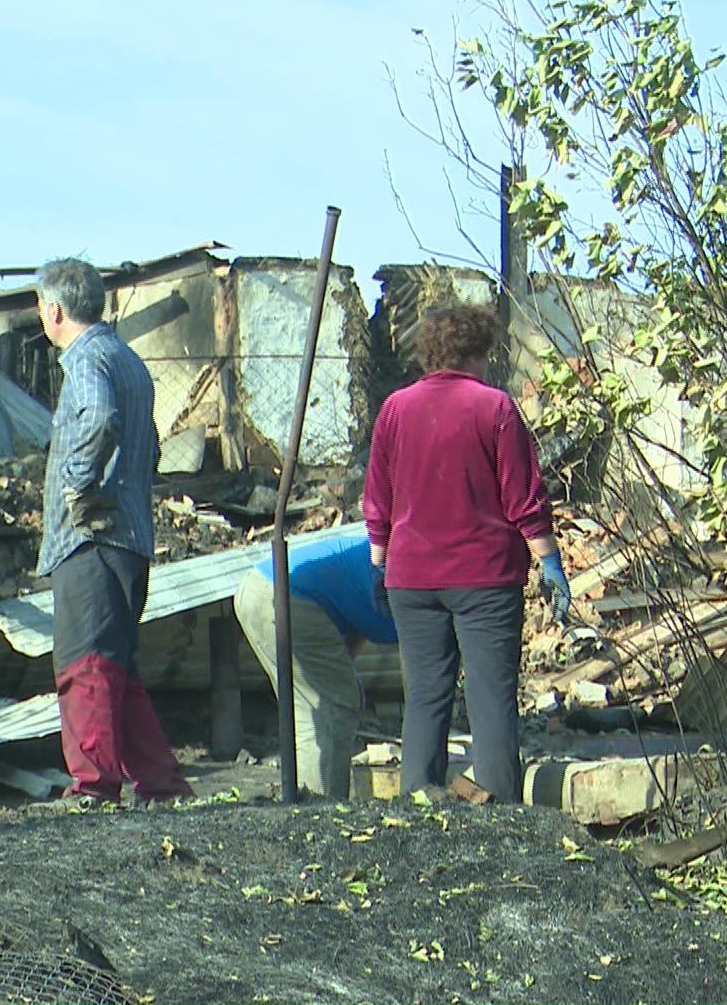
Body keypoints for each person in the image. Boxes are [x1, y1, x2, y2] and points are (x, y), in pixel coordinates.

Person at [362, 302, 569, 803]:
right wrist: (548, 560)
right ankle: (499, 810)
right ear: (479, 349)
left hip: (411, 577)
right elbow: (521, 496)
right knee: (490, 697)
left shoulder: (395, 409)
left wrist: (378, 559)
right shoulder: (493, 407)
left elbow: (378, 496)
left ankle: (417, 801)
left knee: (426, 696)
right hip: (485, 577)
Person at [32, 257, 193, 806]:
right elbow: (146, 440)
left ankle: (93, 786)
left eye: (39, 306)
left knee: (86, 664)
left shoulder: (84, 360)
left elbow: (98, 416)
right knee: (119, 669)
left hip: (90, 540)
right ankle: (161, 784)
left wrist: (77, 485)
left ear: (53, 310)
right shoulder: (127, 359)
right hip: (129, 539)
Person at [233, 534, 396, 799]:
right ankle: (322, 808)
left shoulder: (389, 559)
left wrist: (346, 664)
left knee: (311, 707)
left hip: (263, 588)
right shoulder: (406, 569)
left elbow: (355, 614)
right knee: (330, 707)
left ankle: (303, 802)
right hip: (284, 595)